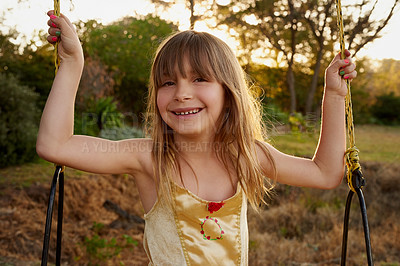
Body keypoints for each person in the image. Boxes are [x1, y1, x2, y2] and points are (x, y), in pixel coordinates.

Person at [37, 10, 357, 265]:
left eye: (199, 78)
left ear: (227, 91)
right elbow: (55, 145)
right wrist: (71, 63)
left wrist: (333, 95)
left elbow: (325, 173)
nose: (182, 94)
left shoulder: (246, 155)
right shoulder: (149, 158)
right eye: (167, 83)